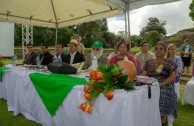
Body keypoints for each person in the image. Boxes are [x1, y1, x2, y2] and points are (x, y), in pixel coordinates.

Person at [141, 42, 177, 126]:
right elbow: (143, 75)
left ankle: (162, 119)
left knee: (164, 93)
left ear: (165, 51)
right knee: (142, 92)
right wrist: (149, 82)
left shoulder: (170, 62)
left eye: (161, 49)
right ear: (154, 51)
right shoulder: (148, 62)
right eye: (156, 49)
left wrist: (161, 84)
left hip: (165, 83)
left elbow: (172, 77)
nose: (158, 51)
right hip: (150, 82)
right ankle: (147, 118)